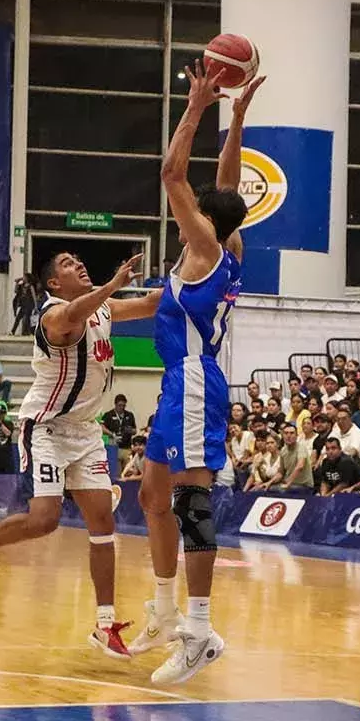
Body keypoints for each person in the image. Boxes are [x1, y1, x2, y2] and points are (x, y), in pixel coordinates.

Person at [0, 252, 160, 660]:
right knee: (45, 520)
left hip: (86, 431)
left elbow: (151, 303)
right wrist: (112, 284)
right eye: (66, 262)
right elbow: (75, 315)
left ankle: (105, 624)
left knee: (102, 523)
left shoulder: (104, 307)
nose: (77, 262)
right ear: (53, 284)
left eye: (79, 258)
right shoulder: (52, 316)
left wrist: (204, 273)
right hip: (45, 428)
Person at [132, 63, 264, 684]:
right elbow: (224, 183)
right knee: (152, 495)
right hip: (177, 383)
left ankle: (202, 629)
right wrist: (235, 116)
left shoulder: (208, 248)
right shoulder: (229, 246)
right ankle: (163, 610)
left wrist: (195, 106)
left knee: (189, 502)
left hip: (192, 380)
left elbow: (171, 174)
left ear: (204, 221)